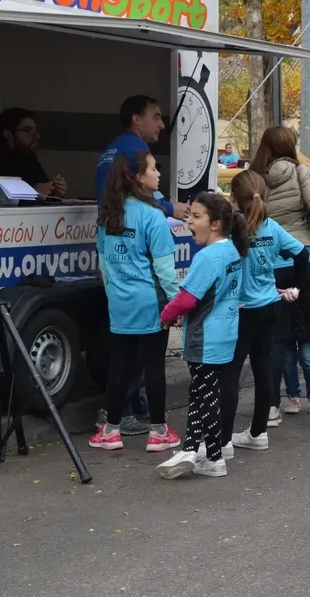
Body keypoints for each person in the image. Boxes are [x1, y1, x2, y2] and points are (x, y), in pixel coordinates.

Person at [250, 126, 310, 427]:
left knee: (277, 339)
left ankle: (271, 408)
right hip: (309, 260)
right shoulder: (300, 172)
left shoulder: (256, 178)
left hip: (272, 264)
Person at [89, 151, 182, 453]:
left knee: (120, 363)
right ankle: (158, 431)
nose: (159, 174)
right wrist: (177, 303)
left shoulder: (108, 215)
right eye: (154, 169)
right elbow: (165, 271)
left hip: (120, 302)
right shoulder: (153, 216)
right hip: (150, 302)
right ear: (139, 177)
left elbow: (104, 265)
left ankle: (111, 430)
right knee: (154, 365)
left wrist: (114, 294)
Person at [155, 194, 248, 479]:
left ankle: (215, 458)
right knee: (200, 392)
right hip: (225, 333)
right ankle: (191, 448)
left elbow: (186, 299)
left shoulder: (207, 256)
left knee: (205, 396)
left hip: (205, 337)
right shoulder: (232, 250)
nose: (190, 223)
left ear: (215, 224)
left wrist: (165, 316)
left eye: (197, 217)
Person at [223, 170, 309, 453]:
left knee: (230, 373)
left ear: (235, 197)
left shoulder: (232, 228)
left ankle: (222, 442)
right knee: (263, 369)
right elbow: (302, 254)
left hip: (242, 308)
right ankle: (258, 432)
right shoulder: (271, 226)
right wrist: (295, 287)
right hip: (270, 305)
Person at [0, 107, 66, 200]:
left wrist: (54, 192)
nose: (36, 136)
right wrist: (31, 193)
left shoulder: (26, 154)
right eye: (27, 131)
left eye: (34, 130)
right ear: (8, 134)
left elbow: (41, 187)